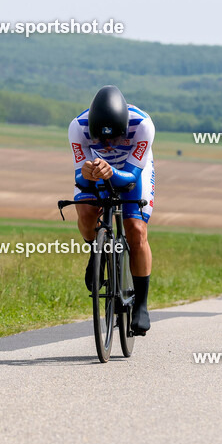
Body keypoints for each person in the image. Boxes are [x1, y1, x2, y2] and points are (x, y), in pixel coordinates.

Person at [68, 85, 155, 335]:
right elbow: (81, 178)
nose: (107, 145)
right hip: (96, 169)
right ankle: (98, 249)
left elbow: (129, 179)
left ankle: (141, 304)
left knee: (136, 229)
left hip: (131, 171)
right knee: (85, 213)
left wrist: (111, 171)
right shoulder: (77, 127)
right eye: (100, 139)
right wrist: (86, 173)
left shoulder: (142, 125)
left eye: (115, 139)